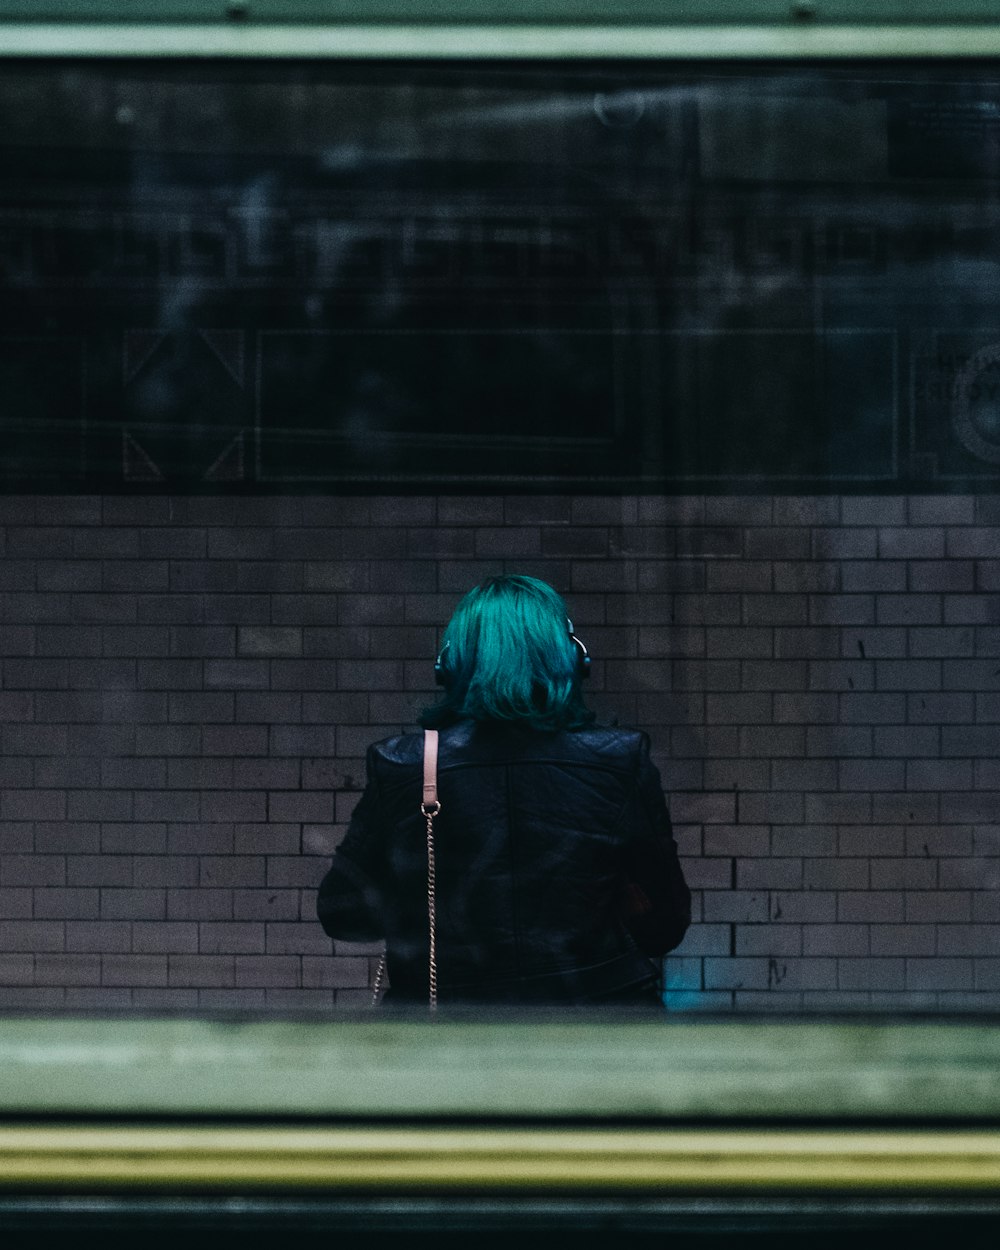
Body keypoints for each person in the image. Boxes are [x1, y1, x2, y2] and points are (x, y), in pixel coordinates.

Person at [316, 574, 691, 1007]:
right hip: (599, 1021)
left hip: (447, 1024)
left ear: (449, 664)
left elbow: (344, 914)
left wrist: (421, 891)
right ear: (573, 657)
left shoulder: (403, 765)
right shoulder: (620, 761)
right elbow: (665, 926)